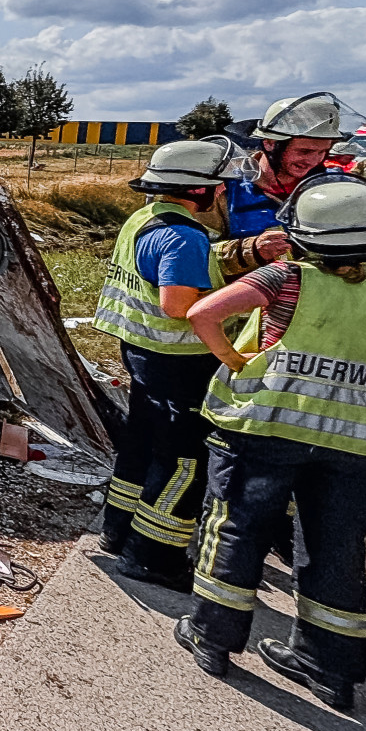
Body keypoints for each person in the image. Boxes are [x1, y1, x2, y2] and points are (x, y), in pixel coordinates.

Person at [175, 173, 366, 713]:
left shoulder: (287, 276)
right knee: (336, 550)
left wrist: (236, 360)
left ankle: (212, 637)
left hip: (268, 431)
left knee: (235, 526)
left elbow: (202, 313)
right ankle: (329, 669)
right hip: (359, 447)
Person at [93, 137, 245, 587]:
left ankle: (118, 531)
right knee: (182, 461)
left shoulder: (144, 218)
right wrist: (237, 303)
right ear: (199, 190)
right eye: (218, 187)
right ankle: (153, 557)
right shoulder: (184, 236)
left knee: (140, 446)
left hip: (142, 353)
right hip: (179, 362)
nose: (223, 193)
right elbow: (178, 306)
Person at [215, 92, 349, 279]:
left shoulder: (336, 187)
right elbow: (192, 257)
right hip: (250, 304)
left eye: (323, 152)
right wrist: (251, 250)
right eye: (304, 151)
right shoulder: (224, 190)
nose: (313, 160)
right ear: (270, 143)